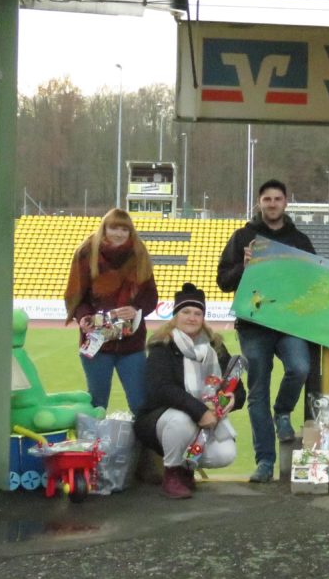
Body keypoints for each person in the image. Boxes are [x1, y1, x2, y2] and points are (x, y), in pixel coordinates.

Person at [217, 178, 316, 483]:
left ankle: (283, 410)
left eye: (277, 199)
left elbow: (316, 282)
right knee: (257, 392)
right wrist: (243, 268)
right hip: (254, 326)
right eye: (267, 199)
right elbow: (223, 280)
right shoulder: (242, 237)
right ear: (259, 203)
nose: (272, 204)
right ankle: (264, 462)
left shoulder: (300, 240)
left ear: (286, 203)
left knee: (299, 367)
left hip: (289, 323)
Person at [135, 283, 246, 499]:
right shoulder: (161, 346)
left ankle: (187, 468)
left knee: (226, 453)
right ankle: (172, 473)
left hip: (205, 420)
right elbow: (161, 389)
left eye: (197, 313)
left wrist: (232, 399)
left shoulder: (215, 347)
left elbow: (238, 388)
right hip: (160, 420)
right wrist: (200, 411)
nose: (192, 317)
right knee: (181, 420)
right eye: (185, 312)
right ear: (175, 315)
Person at [64, 208, 158, 412]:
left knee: (140, 404)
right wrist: (84, 317)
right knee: (96, 405)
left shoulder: (139, 254)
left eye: (124, 229)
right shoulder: (86, 253)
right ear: (104, 228)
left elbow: (151, 297)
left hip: (132, 344)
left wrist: (136, 309)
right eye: (114, 227)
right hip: (97, 342)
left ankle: (142, 444)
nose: (119, 233)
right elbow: (76, 295)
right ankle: (95, 444)